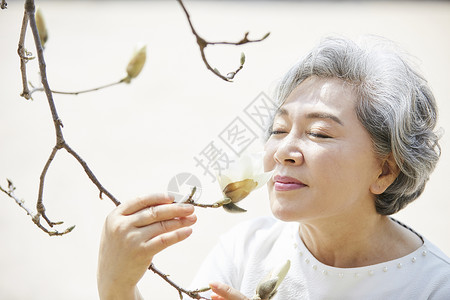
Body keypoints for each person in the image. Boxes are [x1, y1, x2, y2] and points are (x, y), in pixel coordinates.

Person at [97, 36, 450, 300]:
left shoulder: (433, 286)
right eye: (278, 130)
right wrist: (117, 283)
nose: (283, 151)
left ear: (385, 171)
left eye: (318, 133)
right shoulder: (247, 250)